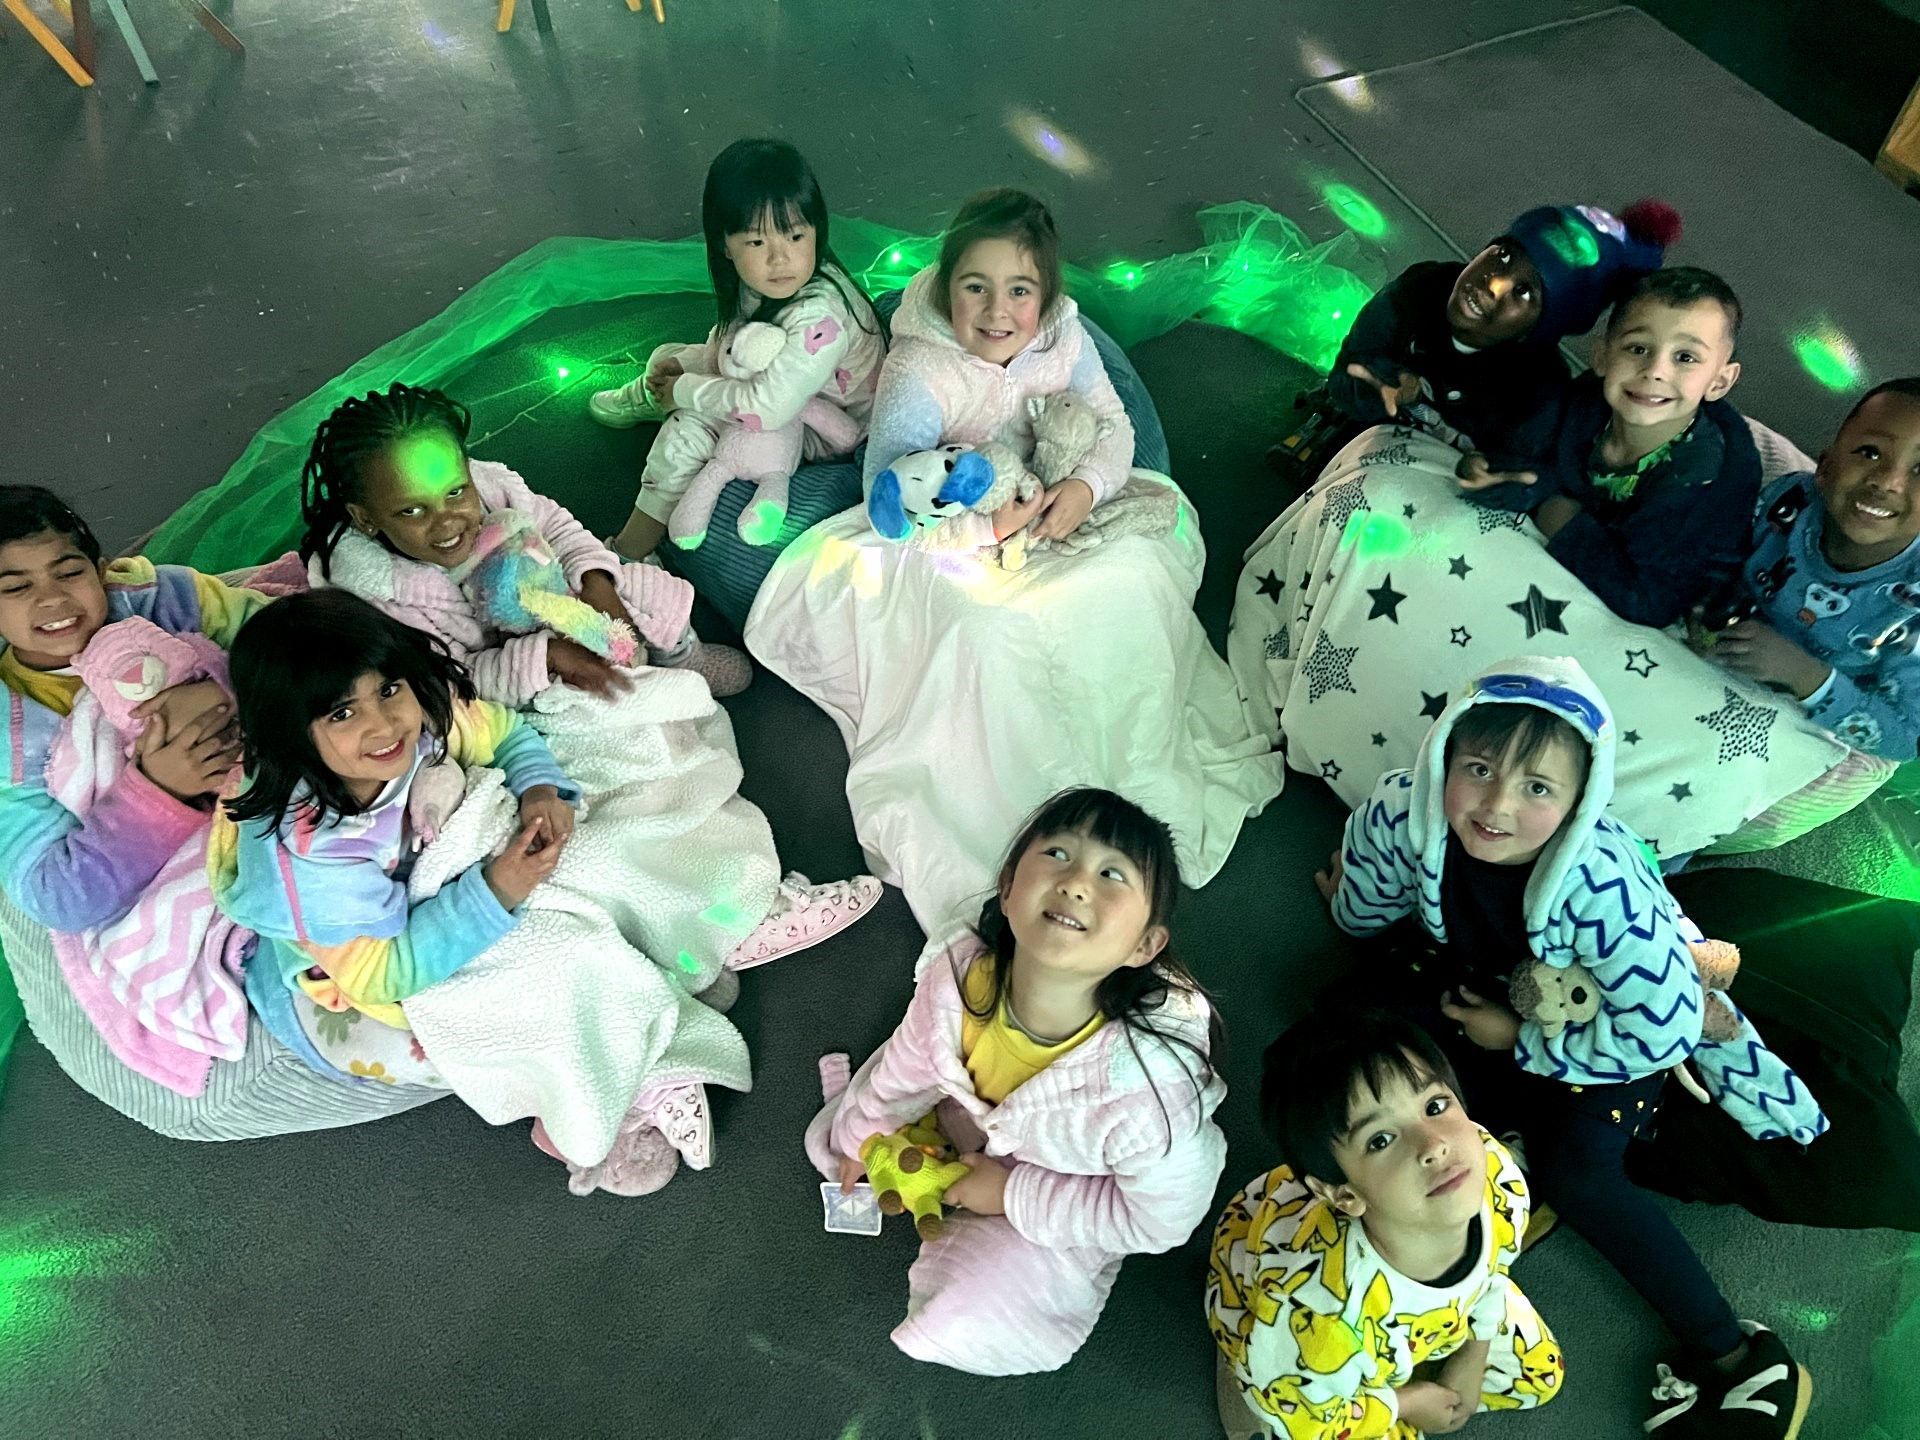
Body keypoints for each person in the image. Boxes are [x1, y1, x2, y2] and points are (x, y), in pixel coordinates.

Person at [1316, 655, 1818, 1439]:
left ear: (1579, 801)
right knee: (1348, 1028)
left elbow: (1661, 1030)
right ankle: (1504, 1152)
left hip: (1613, 1043)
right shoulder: (1399, 812)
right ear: (1445, 755)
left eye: (1537, 788)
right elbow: (1365, 905)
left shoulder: (1605, 889)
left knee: (1579, 1174)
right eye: (1478, 770)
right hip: (1488, 989)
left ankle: (1733, 1353)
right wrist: (1351, 903)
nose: (1496, 806)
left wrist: (1519, 1038)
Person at [807, 789, 1227, 1374]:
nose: (1076, 883)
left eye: (1112, 874)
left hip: (1071, 1186)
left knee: (973, 1315)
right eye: (1058, 854)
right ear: (1007, 888)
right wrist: (864, 1138)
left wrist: (1009, 1196)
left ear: (1144, 946)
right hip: (974, 1126)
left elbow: (1160, 1220)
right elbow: (905, 1068)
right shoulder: (959, 980)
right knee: (853, 1132)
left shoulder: (1149, 1095)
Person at [1208, 1007, 1562, 1439]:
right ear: (1344, 1195)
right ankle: (1250, 1377)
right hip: (1285, 1319)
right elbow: (1307, 1421)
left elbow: (1493, 1271)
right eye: (1380, 1140)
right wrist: (1405, 1402)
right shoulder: (1321, 1311)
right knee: (1302, 1415)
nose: (1435, 1145)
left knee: (1542, 1374)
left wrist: (1475, 1351)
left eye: (1435, 1106)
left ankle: (1391, 1368)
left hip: (1418, 1322)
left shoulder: (1494, 1172)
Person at [301, 383, 750, 698]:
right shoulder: (382, 600)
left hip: (557, 600)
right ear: (365, 518)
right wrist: (549, 657)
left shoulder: (493, 487)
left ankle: (685, 659)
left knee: (644, 588)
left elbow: (558, 528)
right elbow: (453, 679)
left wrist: (596, 583)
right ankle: (653, 695)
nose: (447, 522)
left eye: (455, 492)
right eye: (412, 511)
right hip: (510, 668)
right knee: (588, 713)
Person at [593, 138, 886, 572]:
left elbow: (767, 408)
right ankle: (650, 394)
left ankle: (629, 555)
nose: (780, 258)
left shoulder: (821, 316)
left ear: (817, 230)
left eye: (796, 235)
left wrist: (686, 392)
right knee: (670, 357)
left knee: (687, 430)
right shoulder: (764, 282)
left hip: (821, 426)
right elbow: (736, 341)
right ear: (724, 245)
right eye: (756, 241)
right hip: (779, 387)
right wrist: (683, 373)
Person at [0, 485, 258, 933]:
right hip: (180, 867)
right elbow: (57, 897)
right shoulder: (12, 735)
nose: (52, 599)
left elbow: (308, 641)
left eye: (69, 573)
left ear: (101, 572)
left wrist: (224, 687)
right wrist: (162, 789)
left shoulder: (164, 601)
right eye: (17, 587)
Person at [1271, 200, 1679, 480]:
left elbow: (1526, 476)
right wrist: (1376, 387)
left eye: (1524, 292)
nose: (1494, 284)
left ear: (1538, 328)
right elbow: (1351, 367)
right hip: (1371, 436)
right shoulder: (1420, 290)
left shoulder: (1536, 392)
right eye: (1502, 256)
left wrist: (1488, 475)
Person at [1463, 268, 1757, 629]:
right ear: (1602, 356)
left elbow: (1651, 599)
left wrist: (1561, 517)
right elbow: (1524, 457)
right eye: (1638, 349)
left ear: (1719, 382)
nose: (1655, 371)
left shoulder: (1702, 479)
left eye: (1685, 358)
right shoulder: (1579, 406)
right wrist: (1490, 469)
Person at [1701, 376, 1920, 759]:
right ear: (1825, 466)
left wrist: (1806, 677)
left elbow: (1906, 737)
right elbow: (1717, 556)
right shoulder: (1790, 501)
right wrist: (1702, 605)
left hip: (1827, 712)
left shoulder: (1911, 609)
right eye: (1870, 453)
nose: (1887, 482)